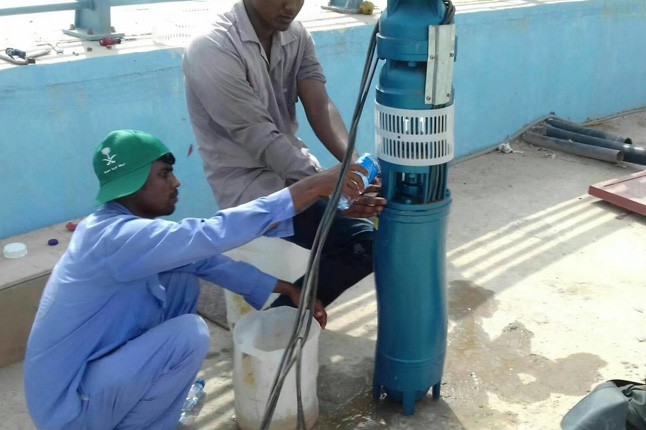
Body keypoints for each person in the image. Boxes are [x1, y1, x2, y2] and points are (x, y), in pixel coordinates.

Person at [23, 129, 366, 430]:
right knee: (188, 335)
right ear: (135, 182)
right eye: (164, 174)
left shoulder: (113, 227)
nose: (176, 182)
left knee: (182, 279)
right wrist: (308, 187)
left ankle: (147, 408)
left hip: (87, 381)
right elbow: (210, 235)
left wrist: (284, 288)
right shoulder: (115, 238)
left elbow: (202, 260)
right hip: (70, 407)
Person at [182, 0, 388, 309]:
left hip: (293, 174)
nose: (291, 6)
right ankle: (280, 320)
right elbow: (261, 138)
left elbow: (320, 105)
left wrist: (354, 168)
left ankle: (287, 315)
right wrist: (329, 188)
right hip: (250, 191)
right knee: (362, 244)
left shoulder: (296, 34)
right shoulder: (212, 48)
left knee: (366, 229)